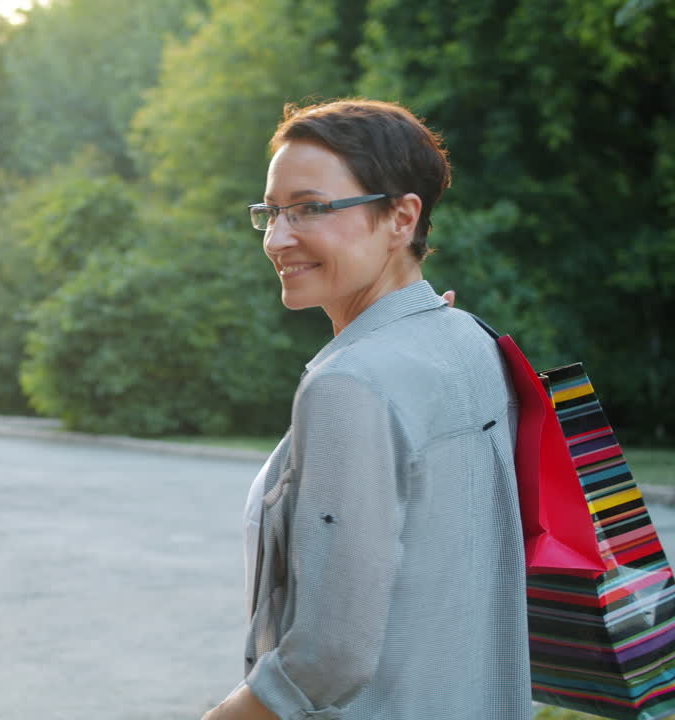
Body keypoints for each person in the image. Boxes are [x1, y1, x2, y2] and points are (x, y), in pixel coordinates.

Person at [203, 100, 529, 719]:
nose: (277, 237)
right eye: (271, 212)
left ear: (401, 217)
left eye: (309, 208)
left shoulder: (350, 383)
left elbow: (329, 658)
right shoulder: (471, 340)